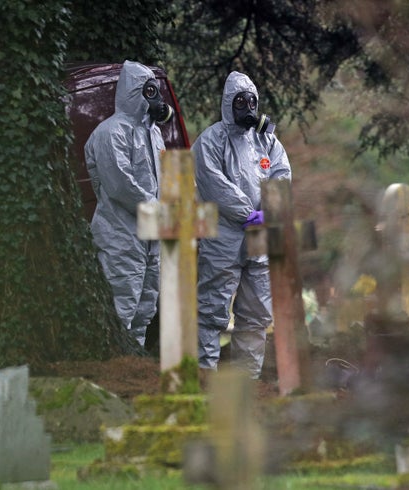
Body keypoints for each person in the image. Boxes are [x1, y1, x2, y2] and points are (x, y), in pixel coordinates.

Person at [192, 71, 292, 379]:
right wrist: (247, 212)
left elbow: (282, 176)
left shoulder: (268, 141)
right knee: (211, 308)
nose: (247, 106)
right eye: (240, 101)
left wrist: (268, 214)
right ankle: (204, 375)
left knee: (257, 312)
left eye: (251, 101)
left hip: (261, 236)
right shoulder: (210, 140)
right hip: (223, 236)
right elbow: (213, 183)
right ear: (227, 104)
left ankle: (248, 381)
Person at [84, 60, 174, 347]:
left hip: (150, 234)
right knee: (122, 303)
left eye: (155, 91)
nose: (156, 98)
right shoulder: (111, 132)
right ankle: (116, 367)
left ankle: (133, 366)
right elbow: (120, 184)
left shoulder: (154, 133)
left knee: (146, 307)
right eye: (149, 92)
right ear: (134, 93)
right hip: (121, 233)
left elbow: (163, 178)